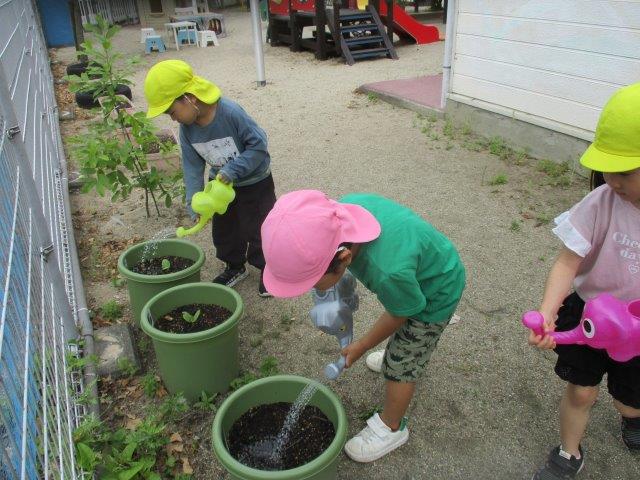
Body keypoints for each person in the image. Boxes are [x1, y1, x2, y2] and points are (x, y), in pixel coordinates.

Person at [261, 190, 465, 462]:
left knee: (402, 364)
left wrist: (362, 344)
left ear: (343, 258)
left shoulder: (387, 271)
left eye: (311, 281)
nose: (311, 289)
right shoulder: (344, 215)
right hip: (425, 265)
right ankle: (399, 352)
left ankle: (392, 428)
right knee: (402, 330)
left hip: (437, 292)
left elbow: (399, 313)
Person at [528, 83, 640, 479]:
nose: (610, 178)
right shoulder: (601, 202)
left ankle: (631, 416)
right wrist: (548, 310)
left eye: (624, 170)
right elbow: (566, 263)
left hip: (638, 332)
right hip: (588, 316)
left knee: (630, 399)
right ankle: (569, 451)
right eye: (606, 166)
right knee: (581, 391)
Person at [144, 60, 275, 296]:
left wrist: (232, 170)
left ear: (190, 98)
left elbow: (259, 147)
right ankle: (234, 266)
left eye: (172, 112)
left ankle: (268, 270)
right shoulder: (187, 130)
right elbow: (192, 166)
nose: (172, 119)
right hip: (220, 189)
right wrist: (193, 199)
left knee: (258, 228)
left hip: (254, 183)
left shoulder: (231, 113)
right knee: (225, 231)